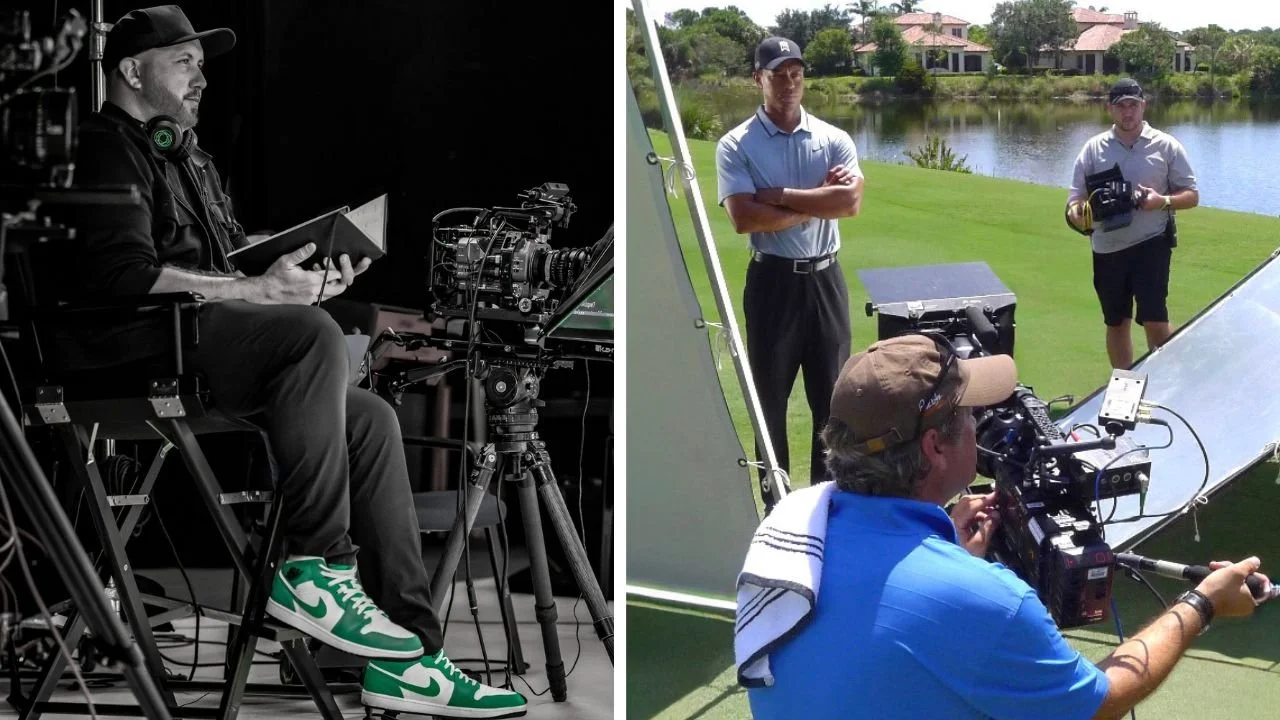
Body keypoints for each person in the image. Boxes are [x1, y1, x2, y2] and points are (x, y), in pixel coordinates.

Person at [66, 6, 525, 718]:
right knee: (309, 337)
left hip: (203, 346)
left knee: (369, 417)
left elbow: (223, 257)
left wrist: (298, 267)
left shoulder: (186, 153)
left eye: (202, 65)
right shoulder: (102, 147)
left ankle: (410, 657)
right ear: (131, 70)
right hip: (131, 355)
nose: (202, 78)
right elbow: (123, 275)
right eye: (184, 61)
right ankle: (317, 567)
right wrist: (259, 291)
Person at [739, 334, 1270, 719]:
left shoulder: (788, 533)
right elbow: (1099, 701)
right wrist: (1202, 605)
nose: (979, 423)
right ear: (935, 446)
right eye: (972, 414)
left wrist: (949, 555)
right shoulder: (986, 600)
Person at [715, 36, 864, 486]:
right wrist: (819, 201)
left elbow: (851, 201)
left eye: (795, 72)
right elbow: (744, 216)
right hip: (773, 284)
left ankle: (826, 502)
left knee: (834, 404)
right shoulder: (736, 144)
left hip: (826, 280)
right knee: (770, 401)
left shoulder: (832, 137)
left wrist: (780, 198)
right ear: (758, 78)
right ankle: (774, 505)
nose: (788, 82)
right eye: (778, 74)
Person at [1066, 78, 1199, 370]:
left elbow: (1191, 196)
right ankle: (1123, 386)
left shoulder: (1166, 145)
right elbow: (1075, 199)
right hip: (1106, 248)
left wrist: (1161, 201)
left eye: (1133, 106)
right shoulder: (1092, 148)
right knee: (1116, 321)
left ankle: (1168, 382)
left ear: (1143, 106)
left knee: (1155, 317)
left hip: (1151, 243)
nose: (1128, 113)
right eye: (1121, 107)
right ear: (1110, 109)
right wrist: (1076, 214)